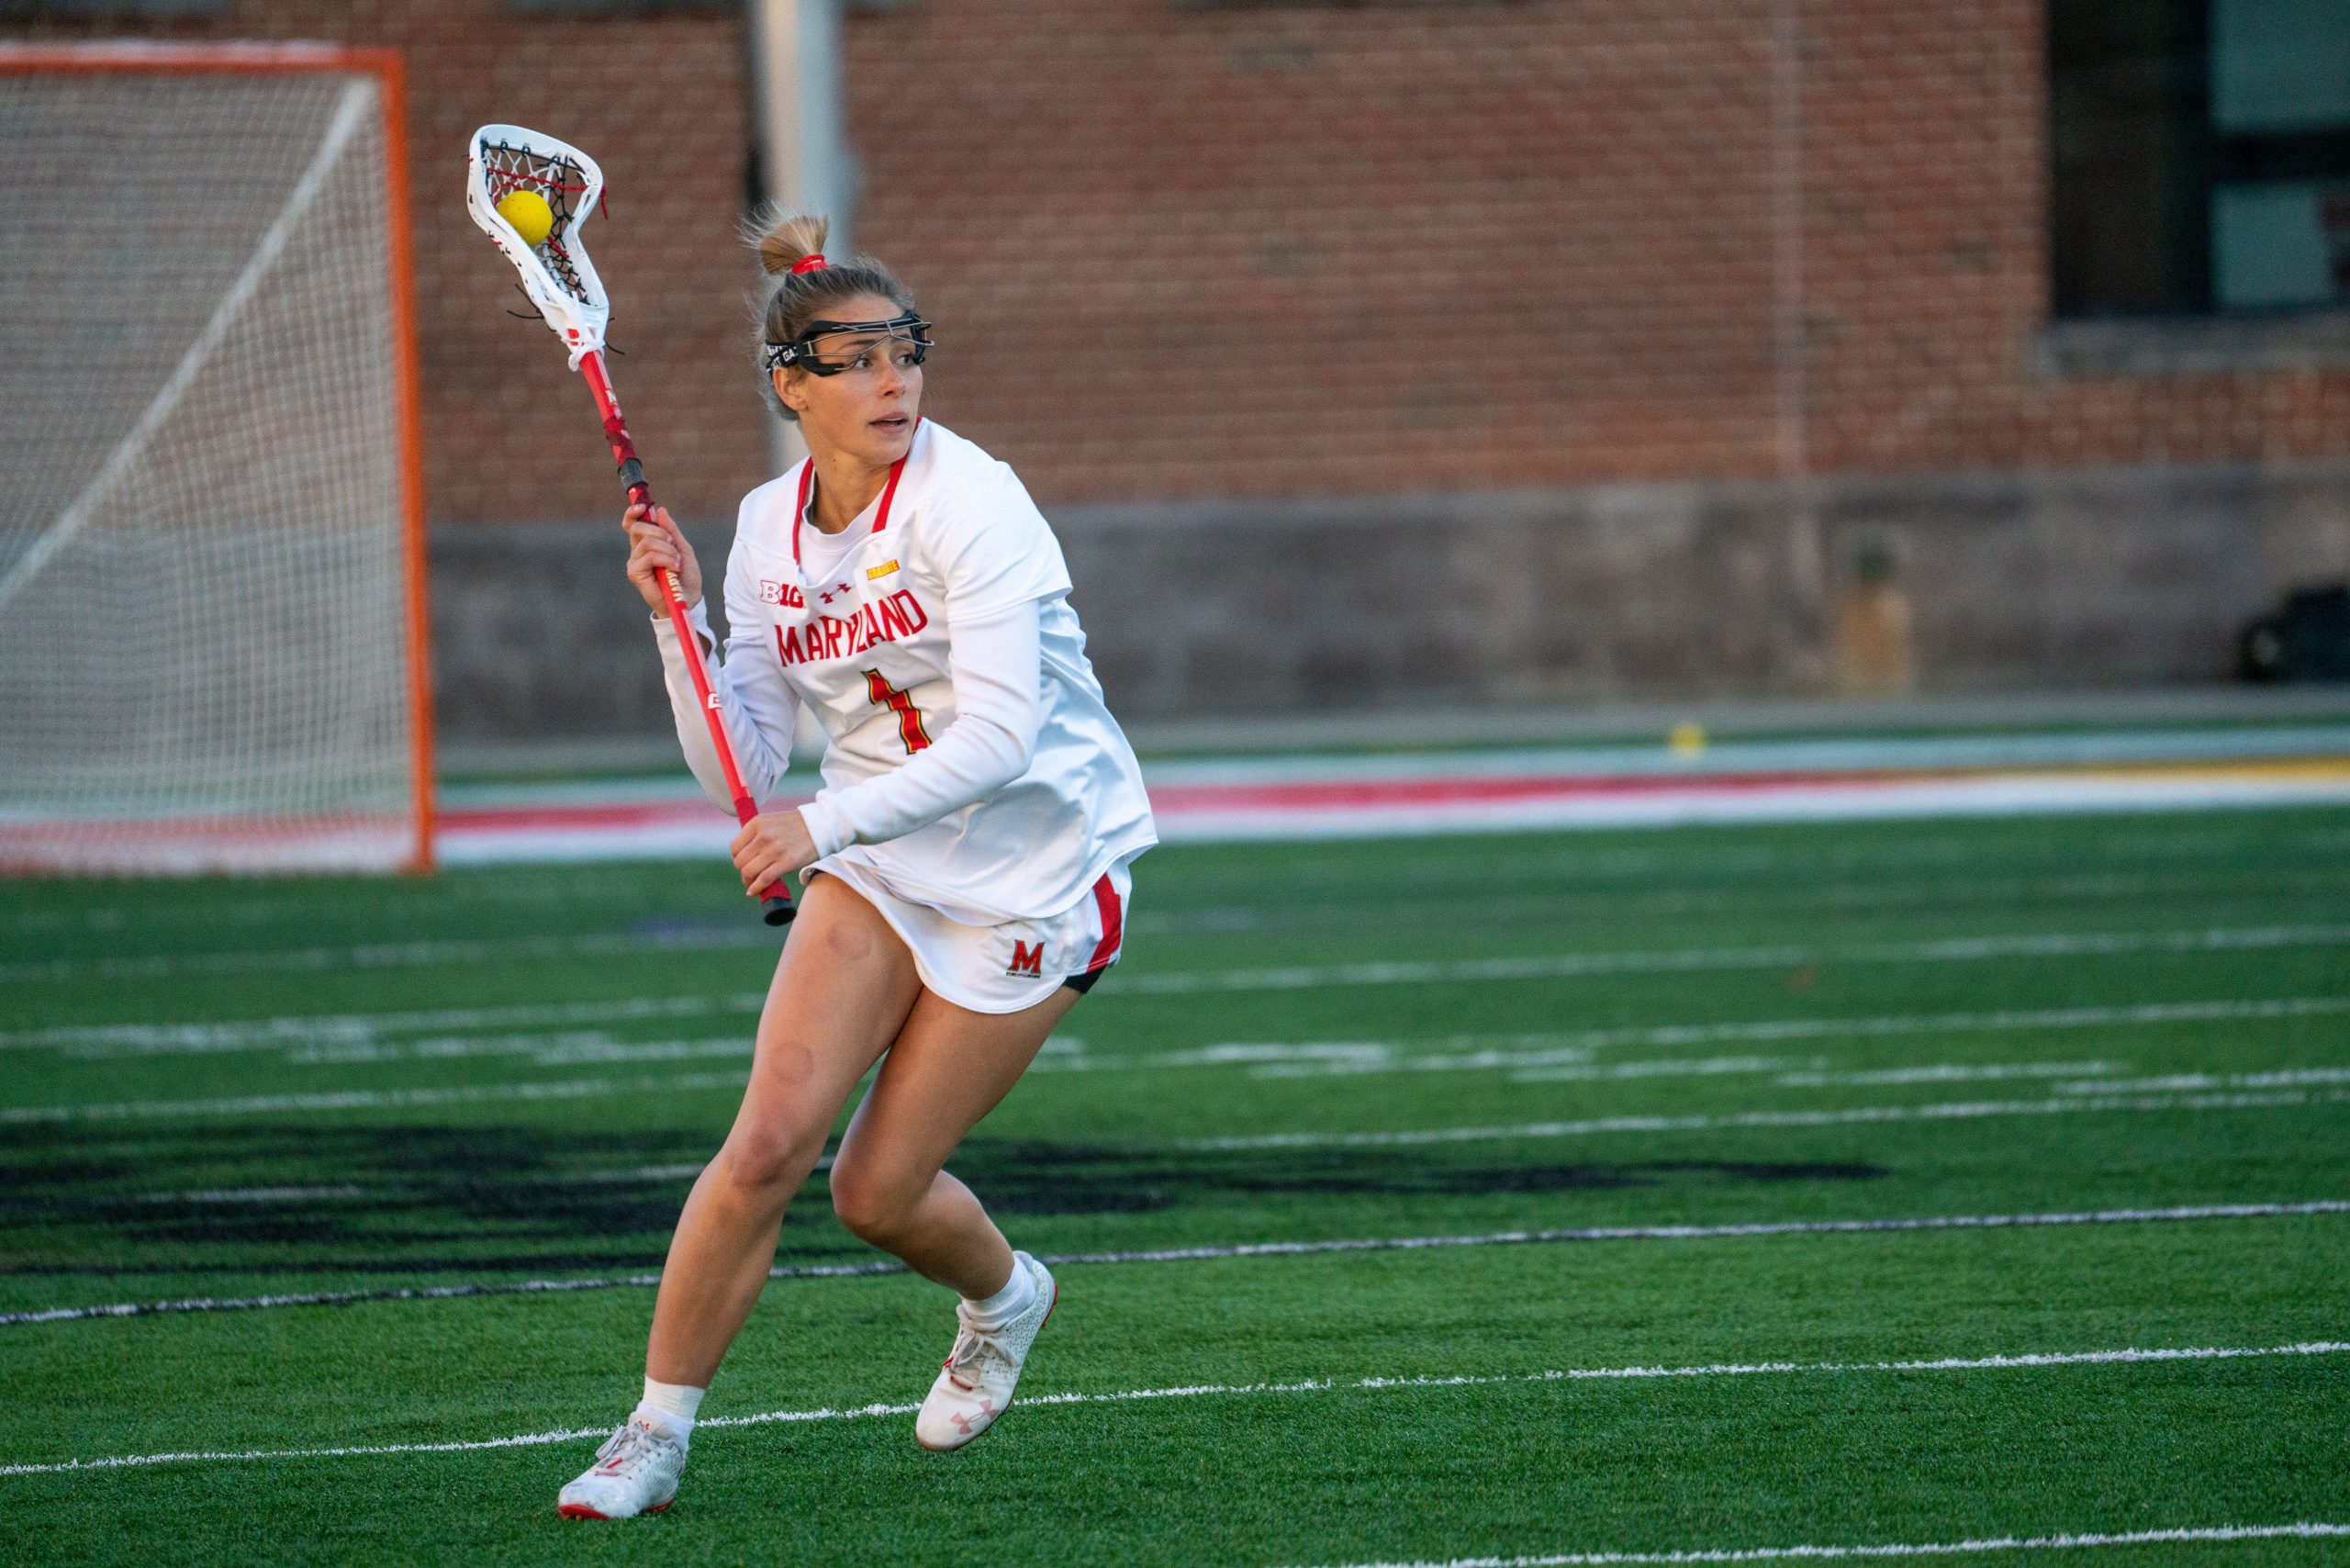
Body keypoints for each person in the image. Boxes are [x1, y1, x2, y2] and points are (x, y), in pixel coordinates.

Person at [557, 214, 1157, 1520]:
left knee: (874, 1193)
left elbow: (999, 735)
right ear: (791, 383)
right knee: (767, 1140)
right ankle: (652, 1438)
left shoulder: (972, 495)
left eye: (907, 354)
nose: (894, 383)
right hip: (886, 859)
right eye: (858, 361)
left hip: (1037, 874)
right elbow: (745, 771)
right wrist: (684, 625)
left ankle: (1005, 1296)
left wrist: (824, 829)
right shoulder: (770, 528)